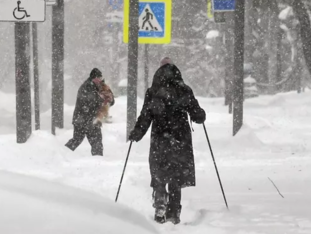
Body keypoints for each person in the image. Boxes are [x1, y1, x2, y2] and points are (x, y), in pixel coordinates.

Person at [128, 59, 206, 224]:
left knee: (160, 173)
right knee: (176, 176)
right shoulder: (184, 90)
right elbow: (197, 114)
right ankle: (173, 212)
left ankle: (160, 205)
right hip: (180, 138)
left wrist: (137, 133)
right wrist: (200, 115)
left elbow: (145, 116)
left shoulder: (153, 91)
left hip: (160, 138)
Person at [66, 68, 114, 156]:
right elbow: (91, 101)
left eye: (100, 78)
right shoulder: (86, 86)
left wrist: (109, 98)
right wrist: (102, 99)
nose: (100, 80)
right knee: (80, 140)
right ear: (93, 77)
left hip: (89, 120)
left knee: (93, 142)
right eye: (98, 78)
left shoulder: (99, 87)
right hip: (84, 119)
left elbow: (110, 99)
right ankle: (61, 154)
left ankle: (97, 160)